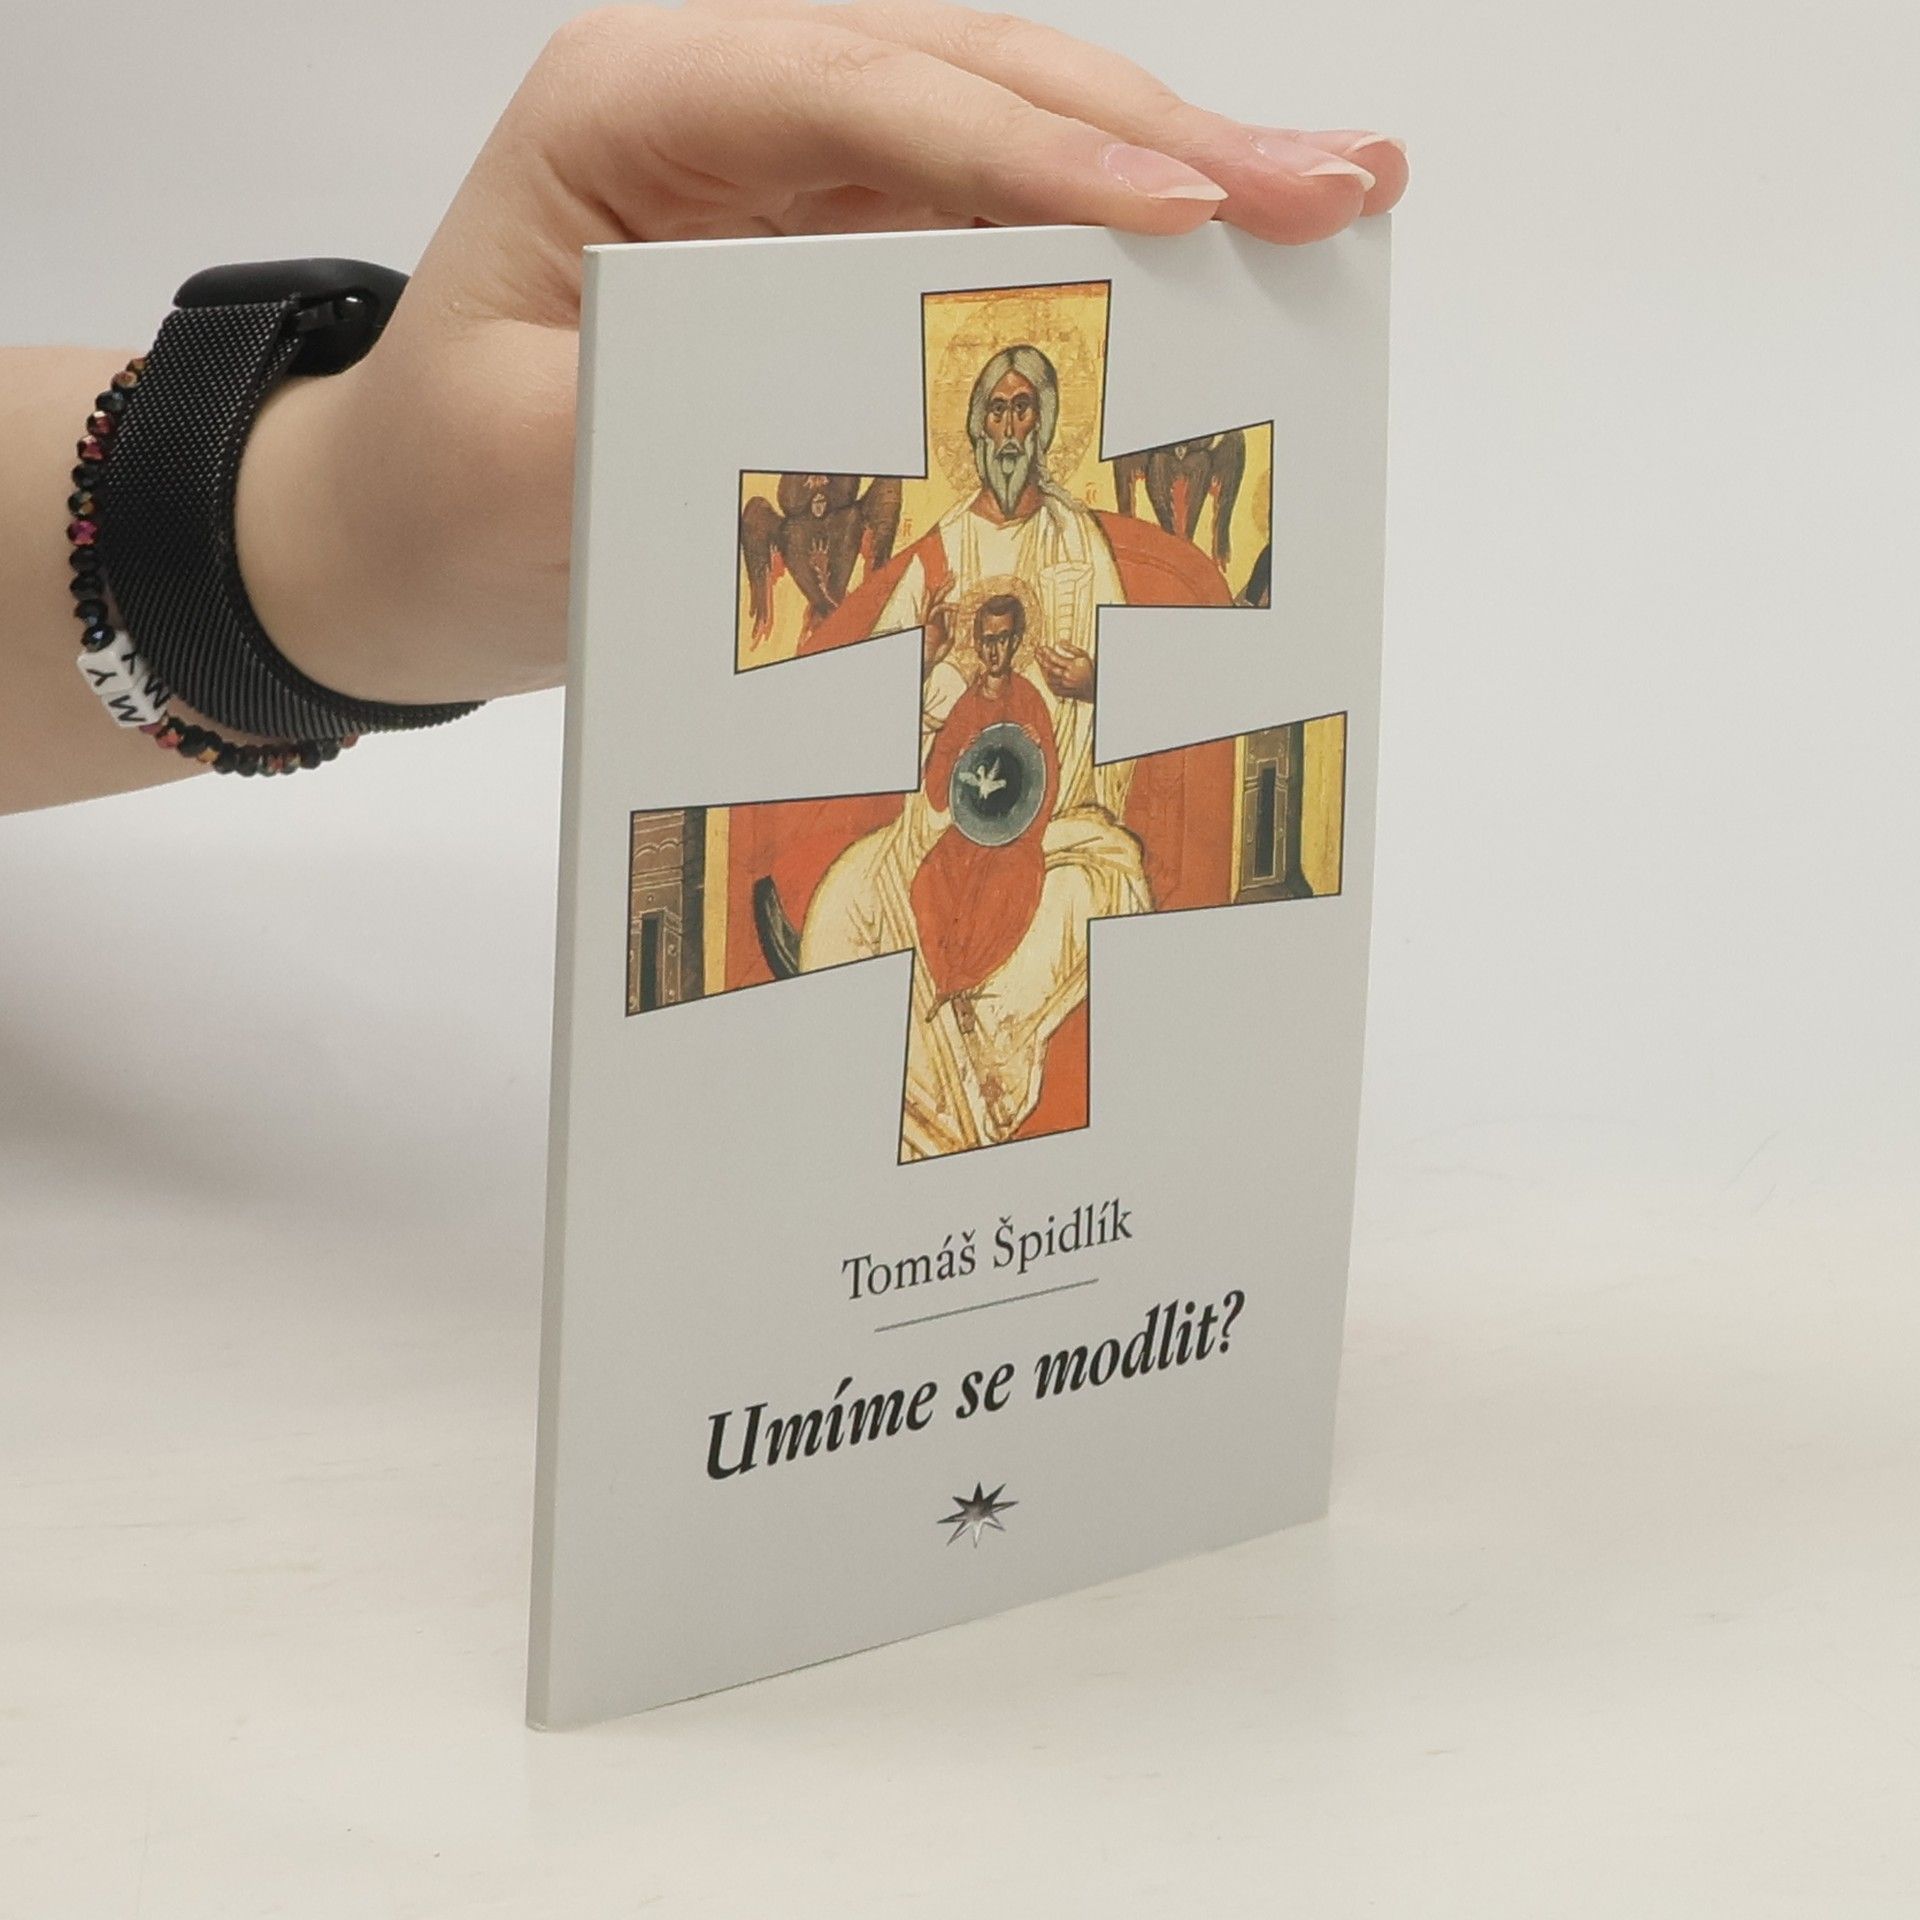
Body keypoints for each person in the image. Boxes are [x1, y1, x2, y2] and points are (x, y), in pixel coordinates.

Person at [0, 0, 1407, 817]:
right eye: (997, 413)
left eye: (1024, 416)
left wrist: (329, 534)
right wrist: (341, 535)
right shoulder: (919, 552)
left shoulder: (1095, 546)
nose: (1007, 432)